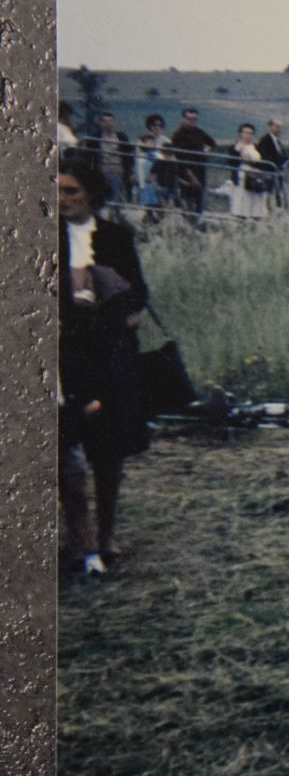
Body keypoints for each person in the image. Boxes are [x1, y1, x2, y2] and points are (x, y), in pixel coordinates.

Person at [58, 159, 148, 575]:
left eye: (71, 191)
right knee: (65, 450)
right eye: (56, 190)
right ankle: (81, 538)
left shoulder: (114, 236)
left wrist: (115, 306)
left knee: (108, 451)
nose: (61, 200)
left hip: (109, 355)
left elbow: (138, 297)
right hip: (61, 357)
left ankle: (108, 534)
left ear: (92, 194)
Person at [168, 107, 217, 217]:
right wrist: (190, 176)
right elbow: (179, 157)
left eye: (195, 119)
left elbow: (212, 143)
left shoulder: (199, 132)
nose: (192, 121)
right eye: (189, 118)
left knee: (199, 201)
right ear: (183, 119)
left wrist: (206, 149)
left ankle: (196, 224)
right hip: (186, 173)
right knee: (187, 201)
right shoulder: (178, 135)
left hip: (200, 169)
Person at [86, 112, 134, 206]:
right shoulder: (96, 137)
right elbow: (89, 155)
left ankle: (116, 211)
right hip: (101, 170)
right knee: (102, 195)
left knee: (117, 195)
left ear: (114, 123)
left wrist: (129, 171)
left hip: (117, 170)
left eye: (110, 121)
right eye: (105, 121)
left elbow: (128, 154)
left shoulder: (121, 137)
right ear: (101, 123)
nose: (108, 124)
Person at [229, 123, 270, 219]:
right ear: (240, 133)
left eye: (251, 133)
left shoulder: (256, 146)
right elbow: (232, 161)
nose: (248, 135)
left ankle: (256, 216)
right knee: (242, 197)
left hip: (255, 175)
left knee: (256, 198)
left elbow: (262, 160)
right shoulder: (235, 146)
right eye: (245, 133)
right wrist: (237, 151)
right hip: (241, 174)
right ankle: (241, 216)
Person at [256, 118, 289, 208]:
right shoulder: (265, 140)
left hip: (277, 172)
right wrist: (278, 161)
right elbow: (265, 155)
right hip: (269, 172)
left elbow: (282, 154)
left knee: (278, 193)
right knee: (269, 195)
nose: (279, 129)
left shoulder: (277, 141)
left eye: (281, 127)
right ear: (270, 127)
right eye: (277, 127)